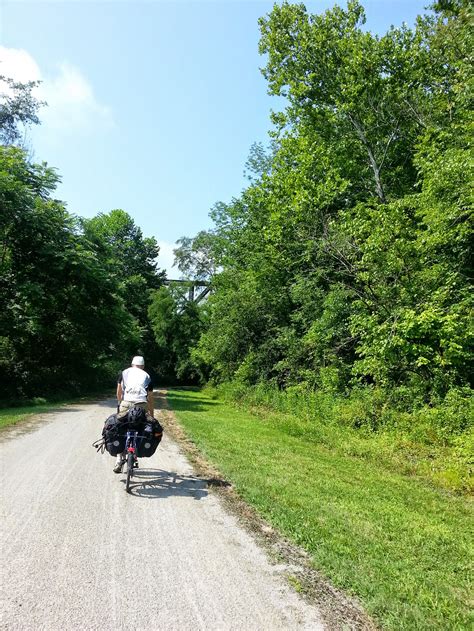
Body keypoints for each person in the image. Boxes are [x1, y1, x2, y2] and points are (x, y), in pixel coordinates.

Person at [113, 355, 155, 473]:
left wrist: (121, 403)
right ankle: (136, 449)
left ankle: (118, 459)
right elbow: (150, 398)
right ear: (143, 366)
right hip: (141, 405)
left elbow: (119, 391)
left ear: (132, 364)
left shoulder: (124, 373)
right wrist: (151, 414)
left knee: (121, 428)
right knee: (142, 427)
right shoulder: (147, 376)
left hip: (126, 404)